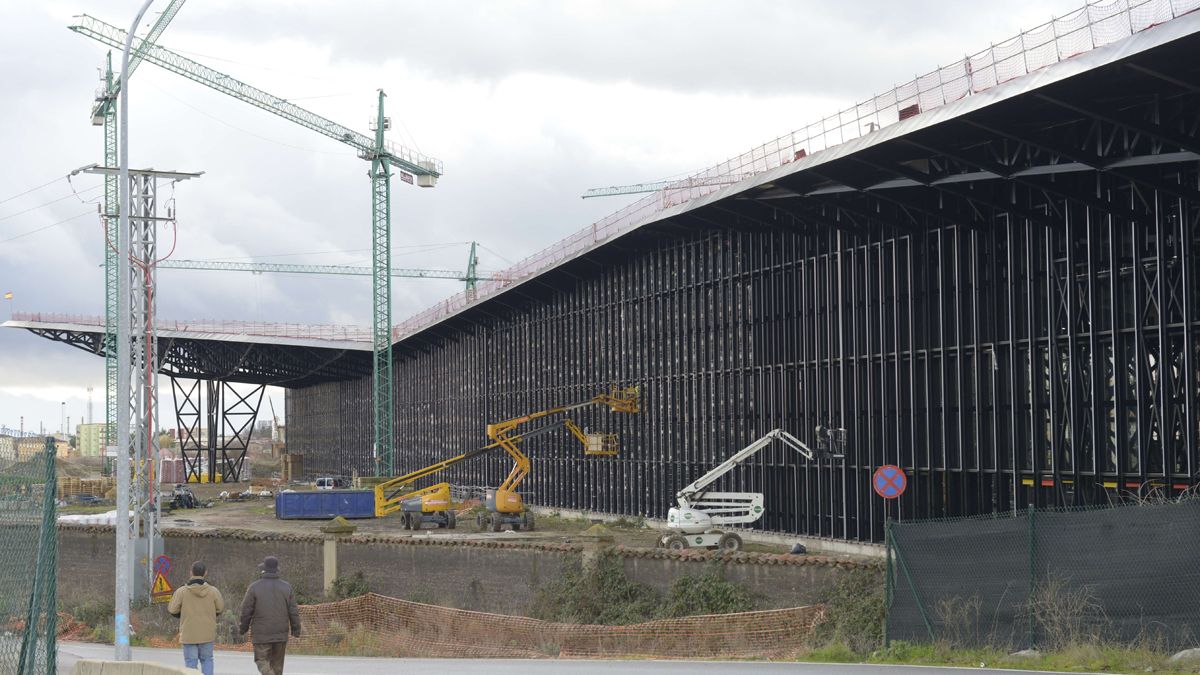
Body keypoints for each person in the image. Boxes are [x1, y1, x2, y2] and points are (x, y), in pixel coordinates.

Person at [239, 555, 302, 675]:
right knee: (277, 667)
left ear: (264, 570)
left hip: (261, 633)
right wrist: (296, 630)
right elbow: (293, 611)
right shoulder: (286, 587)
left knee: (261, 660)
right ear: (277, 569)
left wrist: (243, 628)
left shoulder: (254, 587)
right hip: (281, 632)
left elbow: (246, 611)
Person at [167, 561, 224, 675]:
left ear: (191, 572)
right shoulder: (213, 591)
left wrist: (182, 614)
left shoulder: (181, 591)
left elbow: (172, 610)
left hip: (189, 633)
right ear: (205, 573)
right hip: (207, 633)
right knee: (207, 659)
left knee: (191, 663)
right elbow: (220, 608)